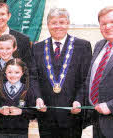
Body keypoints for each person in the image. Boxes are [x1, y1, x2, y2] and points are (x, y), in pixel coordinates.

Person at [72, 6, 113, 137]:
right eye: (103, 23)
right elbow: (91, 79)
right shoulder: (99, 45)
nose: (108, 27)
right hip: (98, 122)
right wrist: (80, 100)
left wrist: (111, 106)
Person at [31, 8, 92, 138]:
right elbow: (33, 77)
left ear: (68, 23)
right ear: (48, 25)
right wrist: (38, 97)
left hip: (72, 112)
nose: (58, 26)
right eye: (53, 22)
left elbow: (86, 78)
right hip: (46, 112)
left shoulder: (83, 46)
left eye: (62, 22)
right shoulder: (37, 48)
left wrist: (79, 101)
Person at [0, 58, 36, 138]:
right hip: (2, 133)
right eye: (10, 72)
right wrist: (0, 110)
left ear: (22, 73)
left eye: (17, 72)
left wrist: (21, 111)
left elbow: (33, 113)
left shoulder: (27, 90)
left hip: (21, 133)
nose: (13, 75)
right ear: (5, 72)